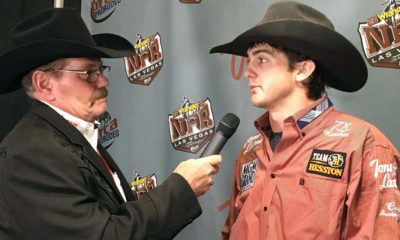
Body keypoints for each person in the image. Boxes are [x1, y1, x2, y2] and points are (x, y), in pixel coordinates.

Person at [0, 7, 221, 240]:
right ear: (44, 84)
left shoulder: (64, 138)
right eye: (88, 73)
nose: (104, 80)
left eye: (100, 69)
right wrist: (181, 189)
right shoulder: (33, 154)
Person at [209, 1, 399, 239]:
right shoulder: (250, 150)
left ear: (303, 70)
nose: (248, 71)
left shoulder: (362, 145)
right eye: (249, 60)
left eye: (262, 59)